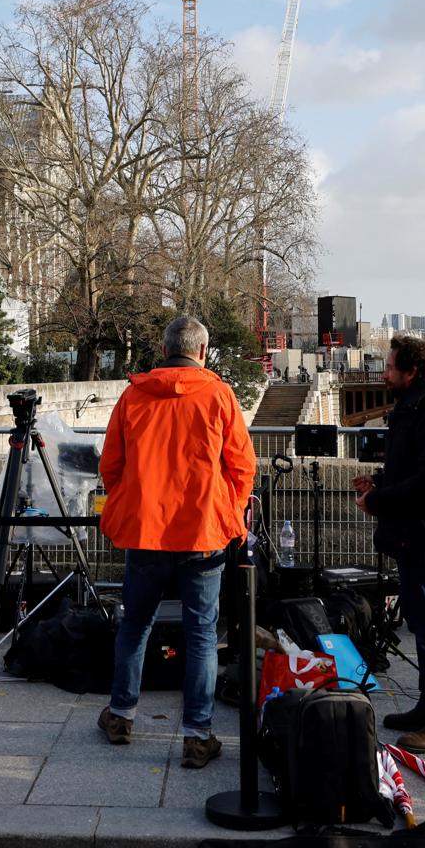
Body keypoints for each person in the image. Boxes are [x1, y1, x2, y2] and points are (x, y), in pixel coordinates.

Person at [97, 314, 257, 770]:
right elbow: (242, 467)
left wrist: (132, 501)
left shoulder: (133, 395)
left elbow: (111, 464)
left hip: (146, 531)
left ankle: (122, 715)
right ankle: (197, 734)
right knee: (202, 634)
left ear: (164, 348)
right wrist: (228, 509)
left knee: (136, 626)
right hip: (202, 531)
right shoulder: (219, 395)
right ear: (203, 351)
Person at [353, 335, 425, 754]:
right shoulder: (422, 406)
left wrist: (379, 499)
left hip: (424, 531)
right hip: (412, 529)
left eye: (389, 367)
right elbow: (417, 470)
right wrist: (382, 484)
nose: (383, 373)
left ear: (411, 371)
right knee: (422, 623)